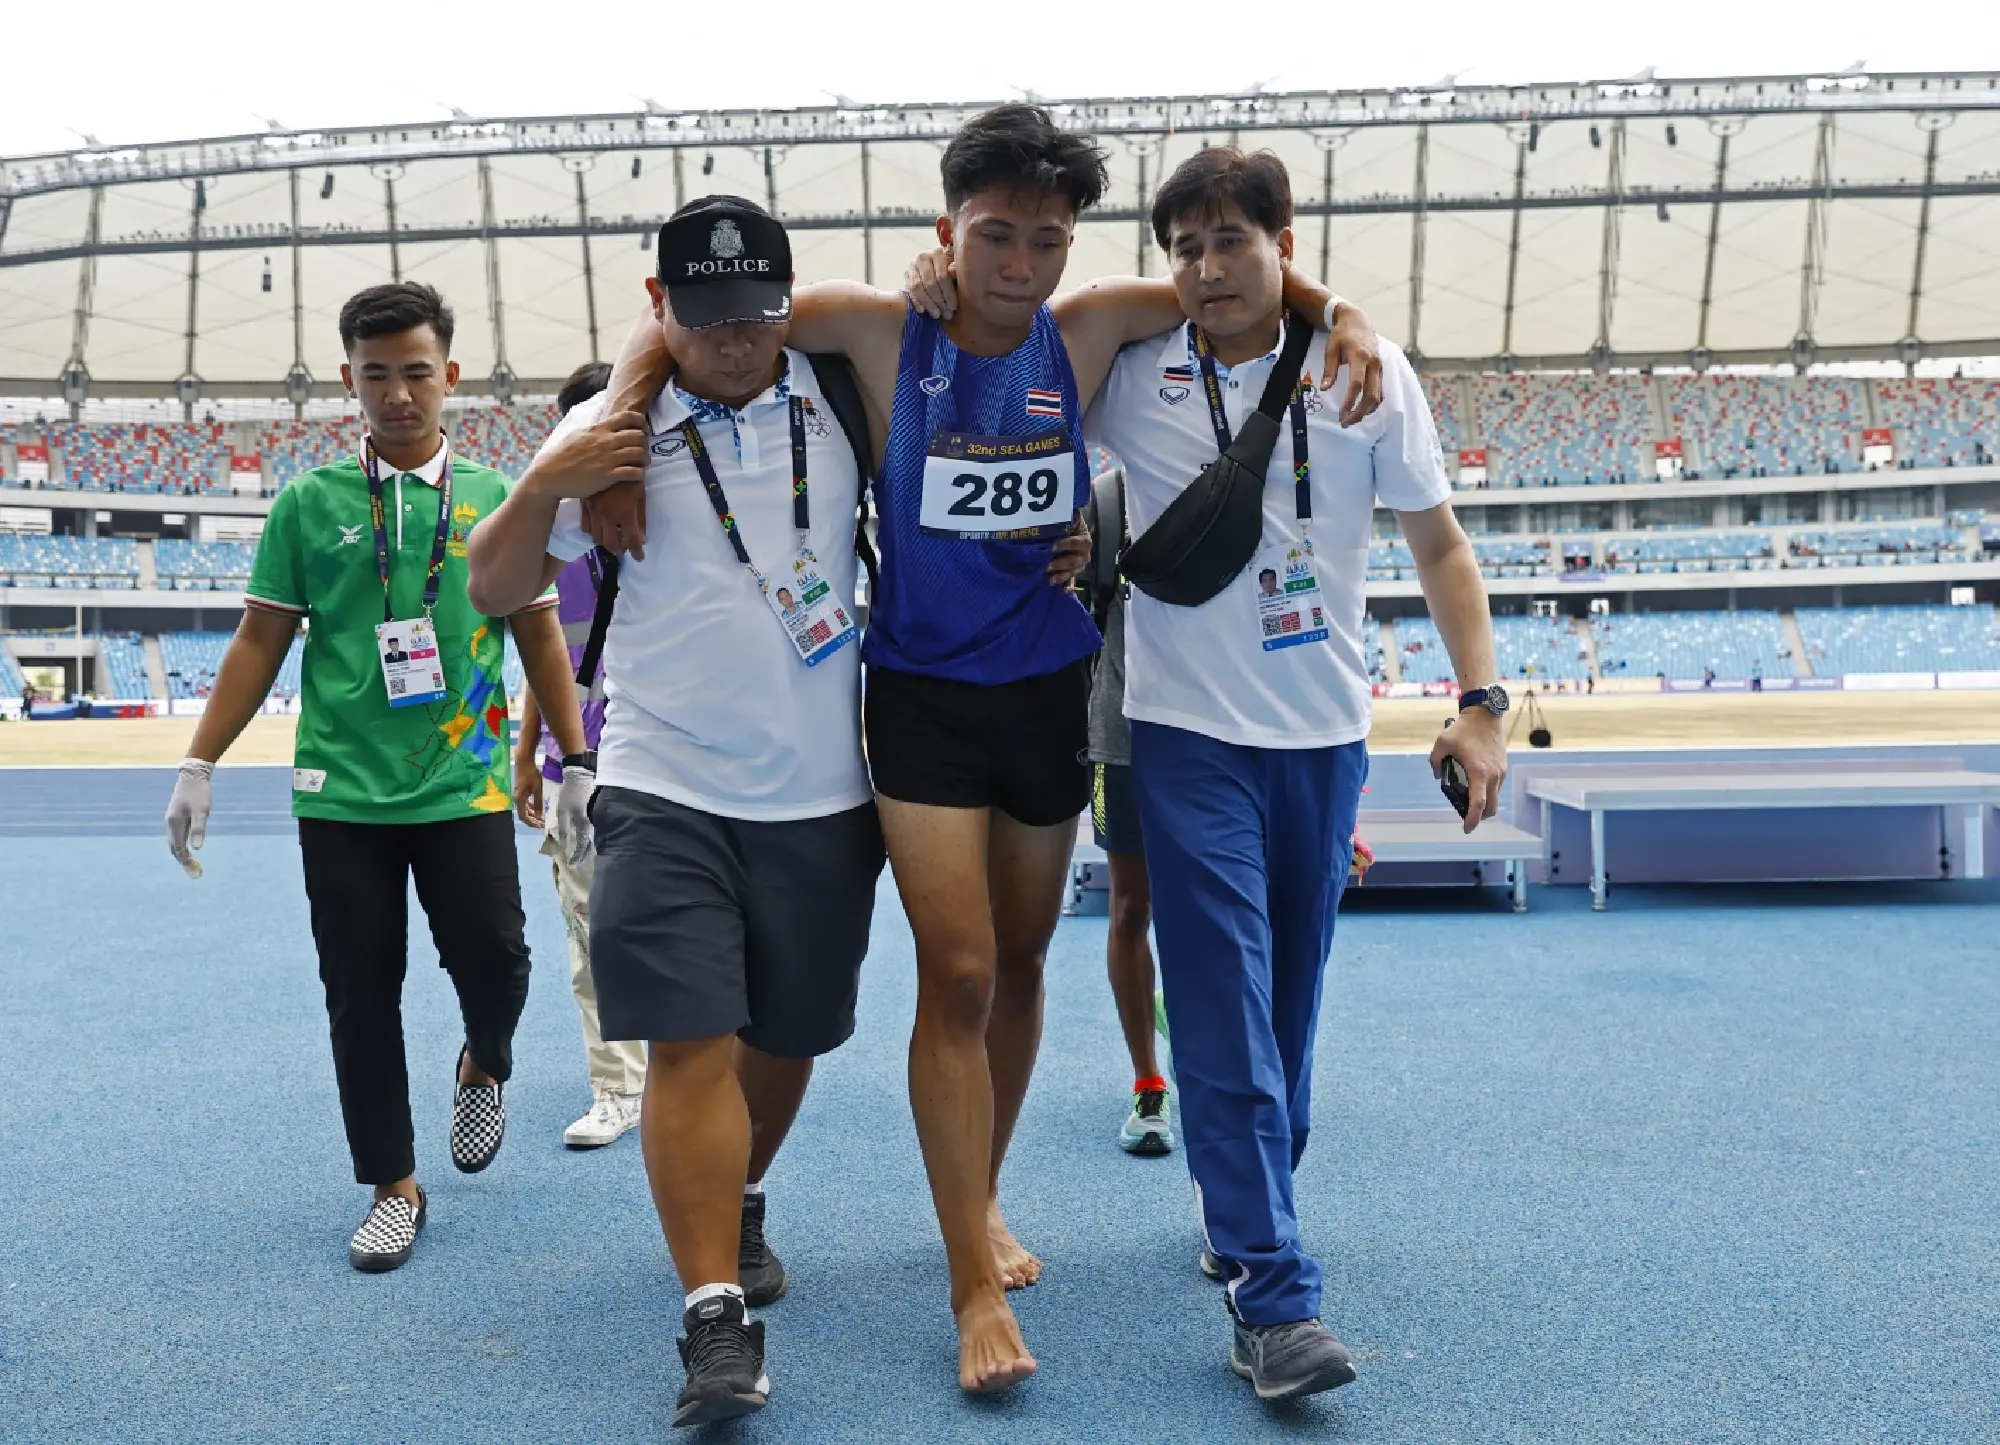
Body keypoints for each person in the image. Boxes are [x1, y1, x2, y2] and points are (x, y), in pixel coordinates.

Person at [582, 105, 1383, 1395]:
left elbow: (1235, 272)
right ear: (945, 232)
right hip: (917, 703)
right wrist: (622, 426)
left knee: (1016, 961)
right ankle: (964, 1273)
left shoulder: (1093, 326)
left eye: (1045, 240)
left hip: (1045, 692)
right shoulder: (878, 330)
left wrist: (1337, 309)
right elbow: (687, 310)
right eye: (993, 235)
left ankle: (987, 1194)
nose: (1018, 264)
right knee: (950, 970)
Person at [1083, 147, 1507, 1402]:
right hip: (1183, 735)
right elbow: (1042, 333)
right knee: (1215, 996)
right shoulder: (1131, 371)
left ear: (1286, 241)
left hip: (1322, 740)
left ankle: (1240, 1202)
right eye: (1182, 247)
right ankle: (1272, 1295)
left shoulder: (1364, 376)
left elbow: (1439, 548)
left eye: (1231, 242)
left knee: (1288, 1011)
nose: (1205, 269)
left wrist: (1478, 703)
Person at [468, 196, 900, 1428]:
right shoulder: (606, 428)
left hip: (822, 790)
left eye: (755, 309)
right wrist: (552, 475)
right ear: (660, 307)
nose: (731, 337)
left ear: (788, 298)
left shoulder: (841, 386)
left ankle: (740, 1191)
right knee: (686, 1041)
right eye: (701, 314)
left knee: (793, 1032)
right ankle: (714, 1312)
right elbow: (495, 584)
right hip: (659, 783)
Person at [161, 282, 590, 1275]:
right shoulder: (310, 504)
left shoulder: (496, 498)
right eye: (374, 375)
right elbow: (259, 637)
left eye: (414, 372)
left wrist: (576, 758)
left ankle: (483, 1057)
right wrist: (199, 758)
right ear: (348, 381)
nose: (397, 394)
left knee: (498, 956)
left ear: (450, 375)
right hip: (341, 787)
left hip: (465, 780)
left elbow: (537, 631)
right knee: (362, 988)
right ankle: (392, 1184)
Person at [510, 360, 650, 1150]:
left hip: (664, 762)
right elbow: (550, 660)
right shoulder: (552, 543)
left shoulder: (678, 517)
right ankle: (617, 1086)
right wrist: (531, 752)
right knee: (590, 931)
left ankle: (698, 1066)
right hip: (579, 772)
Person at [1080, 463, 1172, 1158]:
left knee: (1219, 909)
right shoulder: (1104, 499)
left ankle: (1227, 1070)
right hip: (1121, 739)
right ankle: (1148, 1078)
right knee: (1130, 908)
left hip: (1218, 739)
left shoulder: (1232, 477)